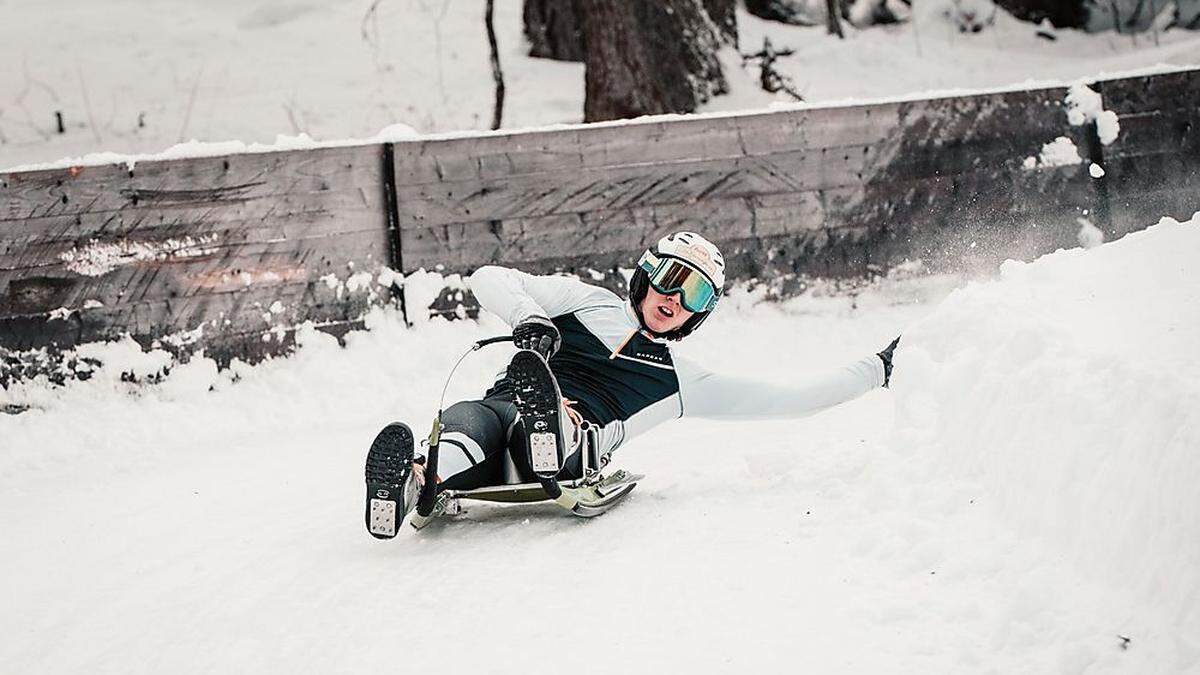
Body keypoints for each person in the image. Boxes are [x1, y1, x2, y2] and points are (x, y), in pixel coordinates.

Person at [365, 231, 899, 537]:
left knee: (547, 426)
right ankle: (412, 482)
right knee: (469, 423)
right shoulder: (583, 301)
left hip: (578, 438)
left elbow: (791, 400)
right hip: (503, 405)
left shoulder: (679, 381)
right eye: (672, 280)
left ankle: (552, 430)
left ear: (701, 315)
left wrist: (880, 367)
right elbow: (489, 278)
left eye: (696, 296)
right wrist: (530, 319)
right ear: (645, 275)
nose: (675, 300)